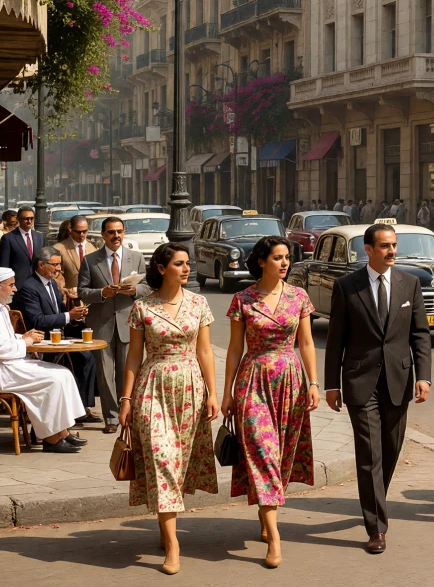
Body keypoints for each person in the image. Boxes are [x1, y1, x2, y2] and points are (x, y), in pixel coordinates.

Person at [324, 224, 432, 553]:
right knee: (369, 455)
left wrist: (424, 376)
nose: (392, 251)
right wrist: (331, 384)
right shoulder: (347, 287)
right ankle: (376, 528)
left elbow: (420, 334)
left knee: (391, 448)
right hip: (360, 381)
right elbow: (336, 339)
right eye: (385, 246)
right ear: (368, 250)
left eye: (394, 245)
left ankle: (374, 498)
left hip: (399, 379)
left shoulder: (409, 283)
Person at [119, 244, 219, 575]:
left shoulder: (199, 303)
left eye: (188, 263)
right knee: (162, 458)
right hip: (152, 388)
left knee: (179, 464)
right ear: (162, 269)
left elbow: (205, 352)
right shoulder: (142, 307)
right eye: (179, 263)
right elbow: (134, 356)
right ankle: (174, 545)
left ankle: (166, 527)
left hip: (190, 389)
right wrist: (126, 399)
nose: (187, 268)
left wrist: (213, 393)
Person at [222, 236, 319, 569]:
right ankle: (275, 539)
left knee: (281, 457)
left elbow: (307, 343)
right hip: (253, 381)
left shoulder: (299, 296)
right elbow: (234, 348)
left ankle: (267, 515)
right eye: (278, 257)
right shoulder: (243, 299)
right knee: (262, 452)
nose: (285, 263)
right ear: (262, 261)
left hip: (290, 382)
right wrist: (227, 392)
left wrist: (314, 383)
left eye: (287, 257)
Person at [0, 268, 86, 453]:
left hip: (3, 364)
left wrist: (23, 338)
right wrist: (26, 342)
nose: (15, 289)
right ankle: (50, 439)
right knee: (52, 379)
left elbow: (3, 340)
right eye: (11, 285)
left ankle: (61, 431)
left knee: (63, 373)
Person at [78, 216, 151, 434]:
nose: (116, 236)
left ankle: (126, 413)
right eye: (111, 232)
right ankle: (110, 417)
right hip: (101, 324)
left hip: (129, 323)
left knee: (127, 372)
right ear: (103, 235)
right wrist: (102, 292)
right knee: (104, 373)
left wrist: (134, 290)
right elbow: (82, 291)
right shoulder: (90, 260)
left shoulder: (136, 258)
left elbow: (147, 288)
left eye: (119, 231)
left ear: (124, 232)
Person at [13, 247, 98, 422]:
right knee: (75, 360)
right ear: (41, 265)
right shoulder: (29, 288)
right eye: (55, 264)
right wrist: (68, 316)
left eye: (60, 264)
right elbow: (37, 320)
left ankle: (82, 408)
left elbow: (60, 312)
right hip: (41, 340)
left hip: (59, 336)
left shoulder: (52, 284)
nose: (59, 268)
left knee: (87, 356)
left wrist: (76, 316)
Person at [0, 206, 43, 283]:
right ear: (18, 219)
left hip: (37, 282)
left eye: (31, 218)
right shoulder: (8, 238)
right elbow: (4, 265)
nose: (29, 221)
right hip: (18, 283)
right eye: (26, 219)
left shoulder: (40, 237)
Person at [56, 215, 91, 301]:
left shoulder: (92, 249)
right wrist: (66, 291)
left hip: (89, 300)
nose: (82, 235)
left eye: (84, 231)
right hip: (67, 300)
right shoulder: (59, 249)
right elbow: (54, 277)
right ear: (70, 229)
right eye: (78, 232)